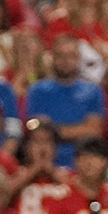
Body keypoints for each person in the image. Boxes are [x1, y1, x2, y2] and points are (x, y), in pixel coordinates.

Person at [21, 33, 103, 169]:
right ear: (52, 57)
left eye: (71, 56)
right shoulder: (37, 90)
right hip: (42, 164)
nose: (66, 61)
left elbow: (94, 130)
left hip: (81, 165)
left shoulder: (92, 91)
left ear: (78, 58)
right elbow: (31, 125)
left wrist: (54, 130)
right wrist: (77, 129)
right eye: (60, 56)